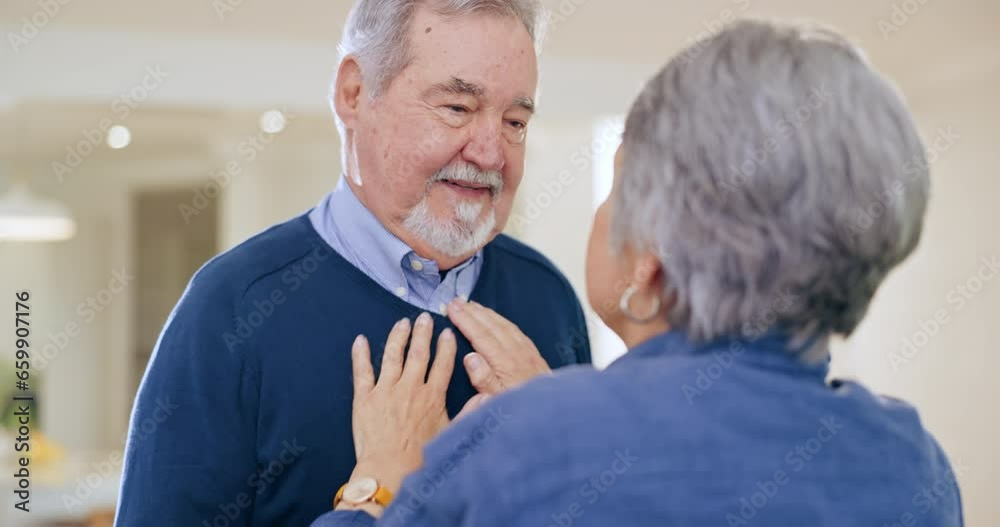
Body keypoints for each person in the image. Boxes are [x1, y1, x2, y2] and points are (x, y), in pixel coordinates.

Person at [311, 19, 964, 527]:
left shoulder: (529, 444)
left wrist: (377, 487)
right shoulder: (911, 463)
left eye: (618, 183)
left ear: (651, 254)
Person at [115, 1, 590, 525]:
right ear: (355, 93)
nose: (490, 152)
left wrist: (564, 454)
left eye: (515, 121)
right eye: (456, 108)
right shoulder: (230, 310)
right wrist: (383, 490)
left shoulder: (547, 296)